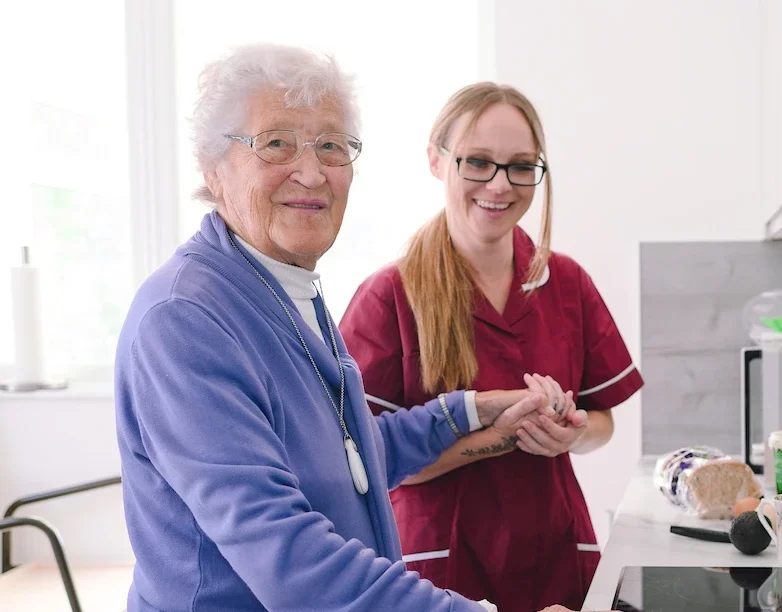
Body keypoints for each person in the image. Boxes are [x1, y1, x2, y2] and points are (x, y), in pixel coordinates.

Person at [114, 43, 605, 612]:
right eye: (276, 143)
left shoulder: (287, 290)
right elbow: (286, 556)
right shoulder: (185, 321)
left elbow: (354, 456)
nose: (311, 172)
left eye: (331, 146)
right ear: (213, 168)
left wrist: (475, 409)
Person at [338, 82, 644, 611]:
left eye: (522, 166)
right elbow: (361, 463)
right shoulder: (388, 297)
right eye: (478, 162)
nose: (500, 185)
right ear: (437, 160)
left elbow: (602, 424)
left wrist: (567, 435)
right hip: (442, 570)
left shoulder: (566, 283)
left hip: (557, 559)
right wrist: (496, 438)